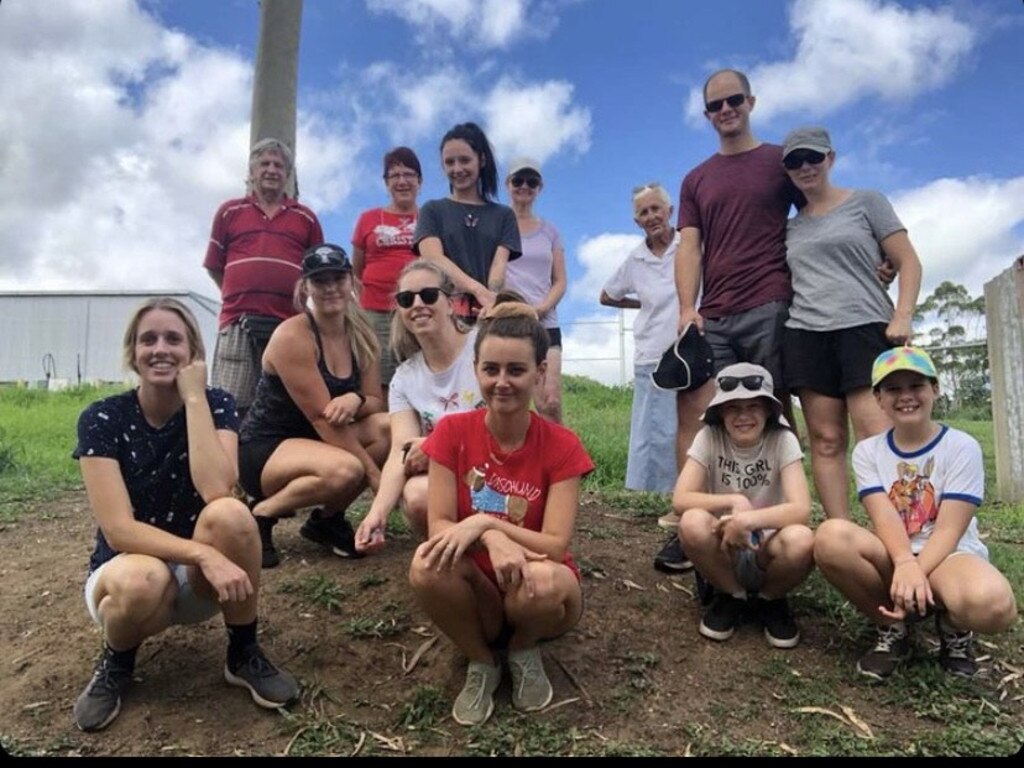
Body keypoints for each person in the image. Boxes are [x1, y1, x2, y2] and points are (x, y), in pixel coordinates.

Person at [71, 298, 298, 733]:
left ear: (193, 351)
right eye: (148, 339)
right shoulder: (102, 417)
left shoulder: (215, 403)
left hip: (199, 584)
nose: (160, 349)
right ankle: (116, 663)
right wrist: (203, 555)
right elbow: (118, 531)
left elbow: (217, 489)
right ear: (132, 353)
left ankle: (242, 651)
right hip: (131, 577)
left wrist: (194, 396)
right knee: (143, 579)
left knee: (232, 515)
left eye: (174, 339)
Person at [408, 300, 594, 727]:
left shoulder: (563, 445)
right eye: (491, 369)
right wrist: (492, 537)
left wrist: (487, 521)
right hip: (479, 591)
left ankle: (524, 649)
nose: (502, 382)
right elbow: (438, 526)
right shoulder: (451, 433)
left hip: (539, 589)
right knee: (425, 565)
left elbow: (554, 545)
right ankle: (482, 661)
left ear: (539, 372)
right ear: (476, 370)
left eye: (516, 370)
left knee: (543, 582)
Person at [814, 346, 1017, 680]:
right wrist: (905, 563)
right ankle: (893, 627)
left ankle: (951, 627)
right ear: (877, 398)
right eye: (893, 388)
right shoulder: (868, 452)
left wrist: (916, 570)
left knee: (995, 606)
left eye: (916, 385)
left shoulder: (961, 446)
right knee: (831, 536)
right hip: (895, 553)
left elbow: (950, 529)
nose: (906, 396)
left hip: (949, 554)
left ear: (934, 389)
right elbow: (884, 516)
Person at [780, 126, 923, 521]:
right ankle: (838, 534)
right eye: (794, 161)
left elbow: (907, 260)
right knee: (826, 440)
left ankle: (899, 533)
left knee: (877, 437)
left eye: (813, 157)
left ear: (831, 158)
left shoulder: (867, 203)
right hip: (807, 334)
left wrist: (903, 314)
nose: (805, 167)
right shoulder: (789, 228)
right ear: (787, 171)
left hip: (865, 327)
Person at [238, 244, 390, 568]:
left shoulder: (364, 336)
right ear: (305, 286)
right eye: (321, 281)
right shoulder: (293, 336)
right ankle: (260, 513)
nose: (331, 287)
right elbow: (324, 420)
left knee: (386, 429)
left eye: (338, 277)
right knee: (347, 469)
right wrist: (377, 477)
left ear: (351, 280)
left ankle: (326, 521)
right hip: (268, 447)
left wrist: (355, 399)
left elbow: (376, 403)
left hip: (320, 441)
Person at [673, 363, 814, 648]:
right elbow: (681, 499)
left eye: (753, 406)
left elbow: (801, 509)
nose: (743, 416)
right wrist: (734, 501)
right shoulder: (709, 437)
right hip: (724, 546)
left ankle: (771, 599)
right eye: (733, 407)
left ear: (768, 410)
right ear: (721, 412)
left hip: (768, 547)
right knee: (691, 522)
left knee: (802, 539)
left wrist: (748, 521)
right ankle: (730, 594)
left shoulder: (782, 439)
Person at [600, 182, 701, 574]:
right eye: (643, 212)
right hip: (650, 350)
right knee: (658, 429)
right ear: (635, 220)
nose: (651, 217)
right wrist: (639, 303)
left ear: (670, 209)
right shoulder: (635, 259)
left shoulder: (688, 246)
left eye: (656, 208)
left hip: (688, 348)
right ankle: (674, 500)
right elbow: (606, 295)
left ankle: (689, 498)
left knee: (690, 424)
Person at [355, 259, 484, 552]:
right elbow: (400, 452)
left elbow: (507, 425)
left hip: (496, 470)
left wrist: (437, 446)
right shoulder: (404, 378)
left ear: (451, 303)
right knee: (415, 495)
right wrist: (378, 513)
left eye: (428, 295)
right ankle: (456, 557)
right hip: (450, 480)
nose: (417, 304)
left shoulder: (484, 349)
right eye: (405, 299)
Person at [204, 137, 325, 417]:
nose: (271, 170)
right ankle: (233, 460)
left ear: (288, 174)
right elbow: (214, 265)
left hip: (288, 324)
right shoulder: (229, 212)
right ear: (252, 171)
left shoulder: (306, 218)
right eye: (264, 164)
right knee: (230, 405)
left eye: (279, 165)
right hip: (237, 323)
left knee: (286, 405)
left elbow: (316, 273)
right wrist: (239, 293)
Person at [413, 121, 522, 323]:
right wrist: (477, 290)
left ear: (481, 160)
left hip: (487, 317)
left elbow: (498, 268)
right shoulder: (432, 210)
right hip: (440, 319)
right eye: (450, 162)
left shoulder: (504, 215)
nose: (457, 168)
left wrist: (492, 300)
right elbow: (433, 258)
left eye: (464, 160)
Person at [351, 146, 422, 399]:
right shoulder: (368, 218)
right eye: (395, 175)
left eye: (409, 174)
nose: (402, 181)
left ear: (419, 181)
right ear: (386, 182)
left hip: (417, 309)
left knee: (419, 375)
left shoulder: (430, 218)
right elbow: (356, 271)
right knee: (378, 382)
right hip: (375, 312)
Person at [503, 157, 567, 423]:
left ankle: (566, 463)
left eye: (531, 181)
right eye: (518, 180)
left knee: (549, 402)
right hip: (508, 322)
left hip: (545, 324)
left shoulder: (550, 231)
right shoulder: (498, 226)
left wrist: (540, 309)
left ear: (539, 187)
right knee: (507, 399)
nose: (524, 186)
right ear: (508, 185)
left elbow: (560, 281)